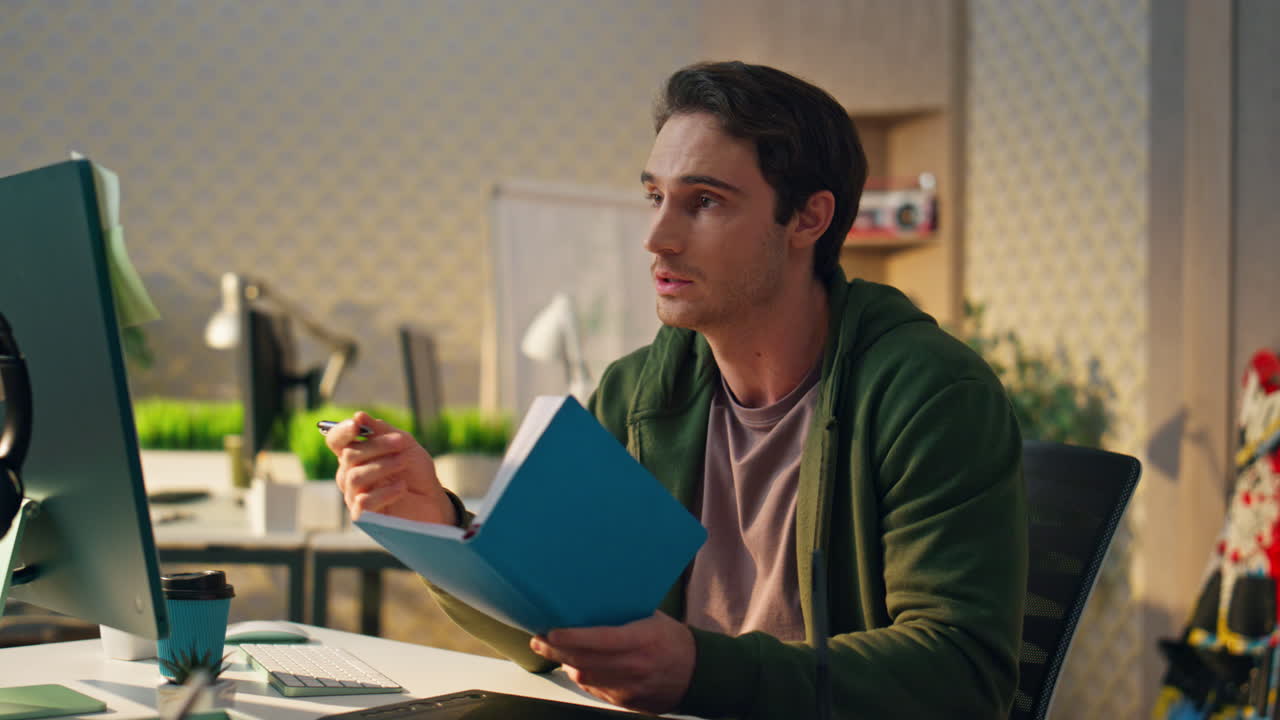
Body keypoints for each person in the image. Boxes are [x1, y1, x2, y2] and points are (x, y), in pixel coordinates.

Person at [326, 61, 1027, 719]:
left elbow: (963, 674)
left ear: (808, 219)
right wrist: (438, 523)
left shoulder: (930, 394)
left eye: (705, 202)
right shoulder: (637, 391)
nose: (658, 237)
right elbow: (561, 623)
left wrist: (699, 669)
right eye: (655, 197)